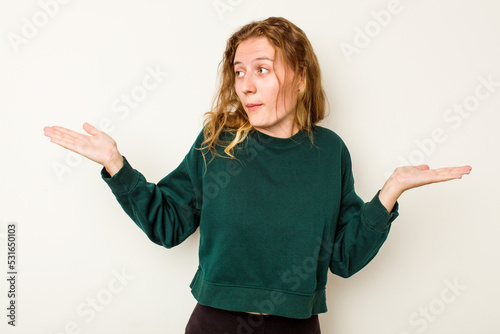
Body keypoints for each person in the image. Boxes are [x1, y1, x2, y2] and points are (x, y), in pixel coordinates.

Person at [43, 17, 471, 334]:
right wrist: (117, 166)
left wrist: (389, 193)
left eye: (262, 69)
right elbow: (167, 225)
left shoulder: (329, 152)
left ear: (300, 78)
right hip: (215, 323)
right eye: (239, 71)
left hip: (298, 327)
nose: (245, 84)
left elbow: (343, 258)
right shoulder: (217, 142)